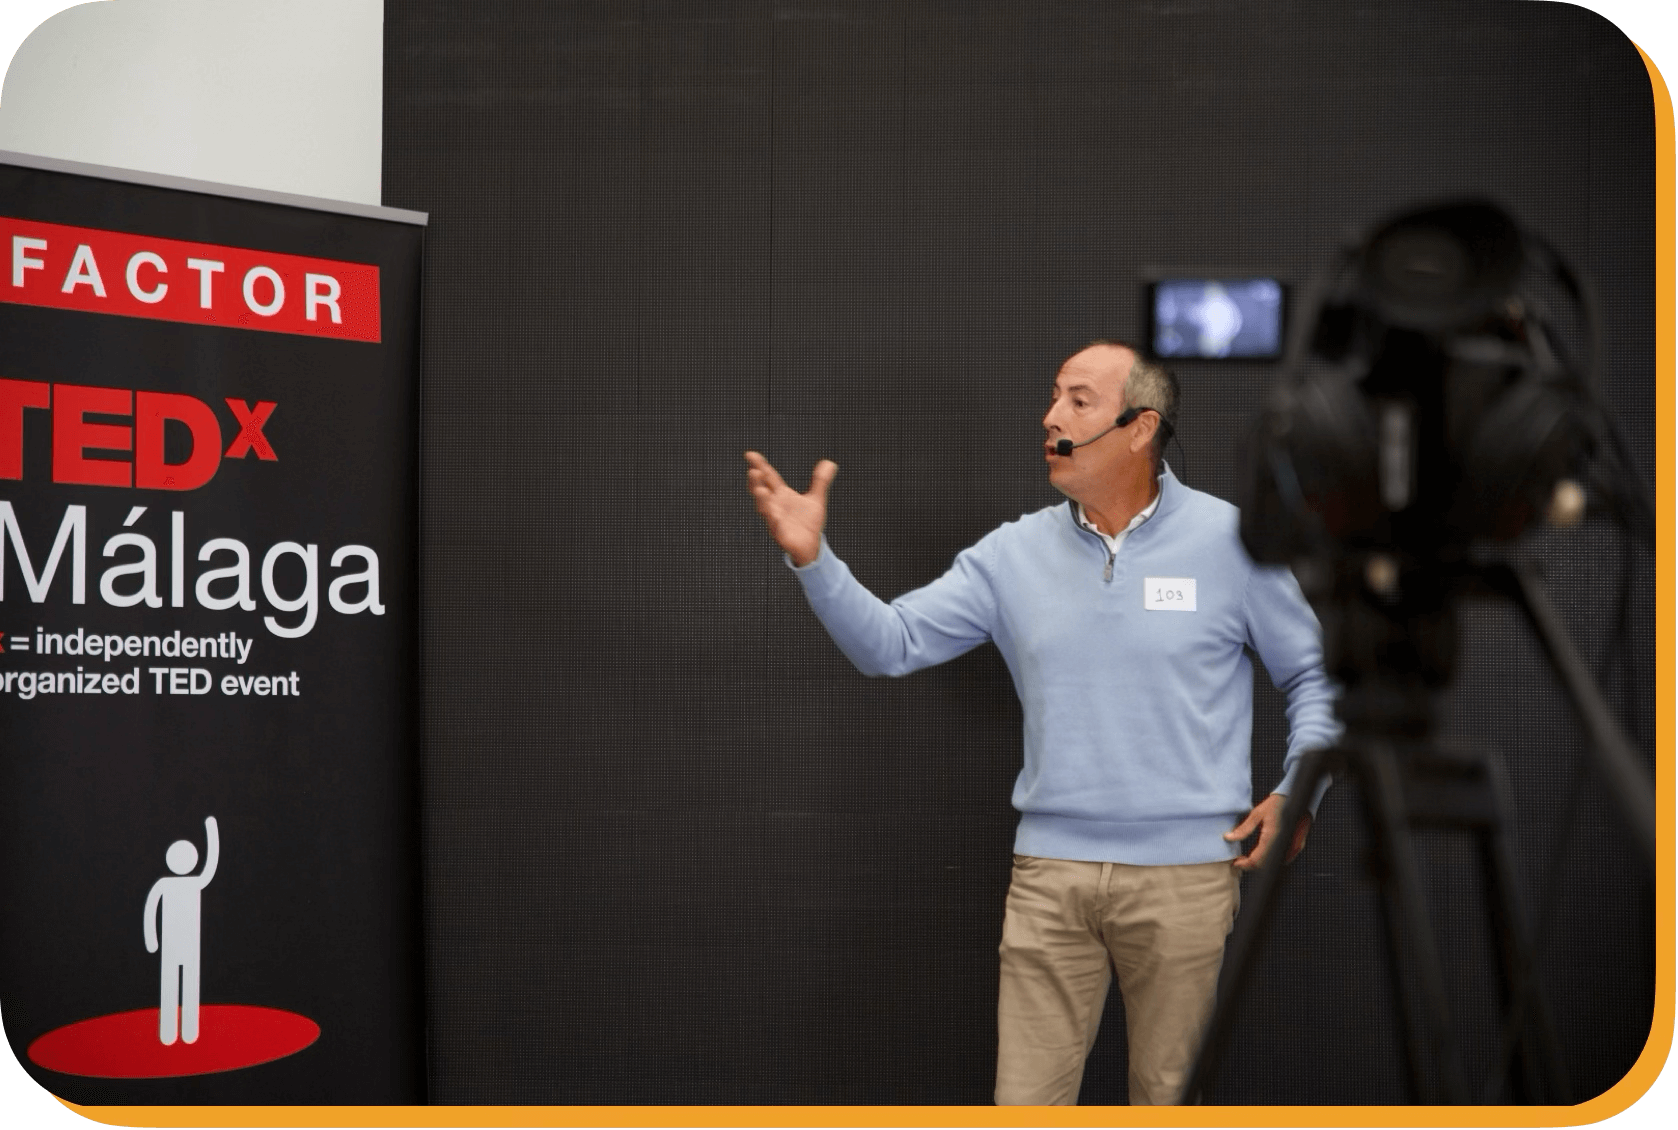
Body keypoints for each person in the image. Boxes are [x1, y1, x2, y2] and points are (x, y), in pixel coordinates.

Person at [743, 341, 1338, 1105]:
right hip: (1048, 881)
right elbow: (889, 646)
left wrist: (1300, 793)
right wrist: (815, 560)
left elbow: (1315, 676)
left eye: (1078, 401)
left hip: (1187, 879)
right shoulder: (1011, 554)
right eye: (1053, 396)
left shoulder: (1233, 543)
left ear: (1139, 427)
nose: (1051, 416)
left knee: (1171, 1101)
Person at [144, 815, 220, 1045]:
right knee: (169, 984)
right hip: (170, 947)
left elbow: (210, 867)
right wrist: (152, 939)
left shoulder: (194, 882)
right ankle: (167, 1031)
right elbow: (151, 910)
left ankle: (189, 1031)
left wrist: (212, 832)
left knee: (190, 984)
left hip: (190, 947)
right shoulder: (164, 884)